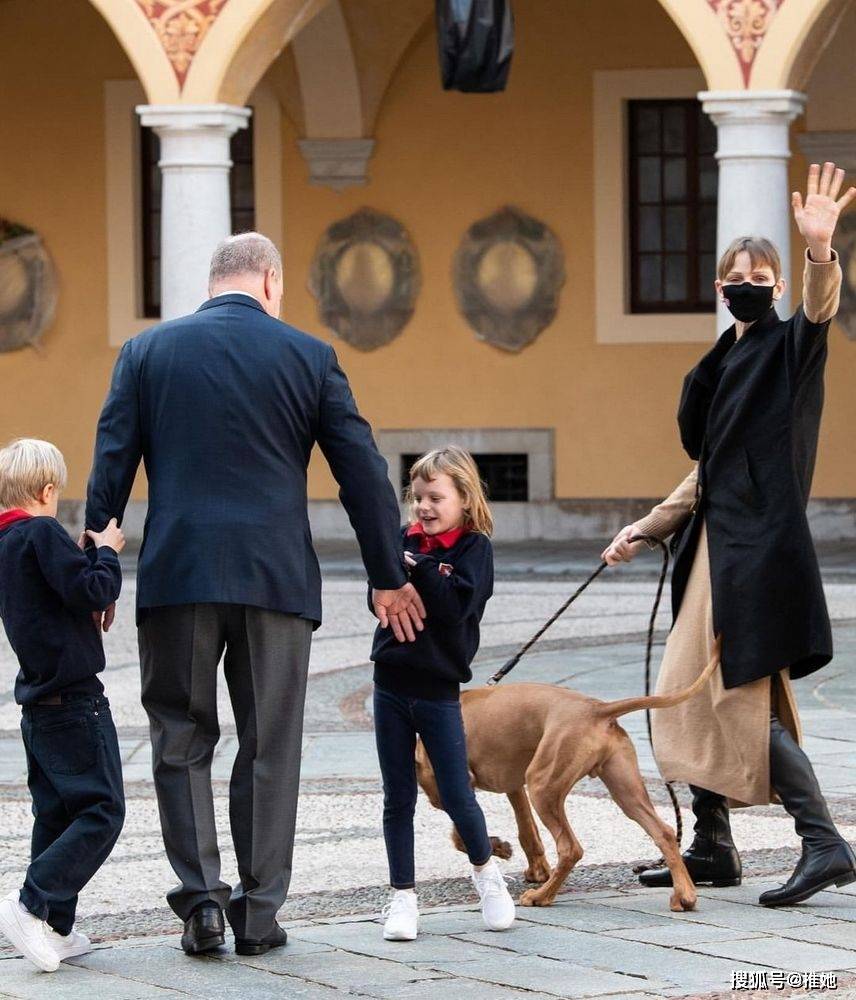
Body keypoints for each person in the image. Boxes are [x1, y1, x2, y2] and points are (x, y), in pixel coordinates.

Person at [85, 233, 425, 957]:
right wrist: (388, 575)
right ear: (270, 280)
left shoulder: (147, 354)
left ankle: (201, 907)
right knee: (270, 745)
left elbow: (110, 466)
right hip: (275, 579)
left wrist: (98, 576)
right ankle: (259, 912)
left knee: (178, 740)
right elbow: (361, 473)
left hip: (178, 575)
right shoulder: (309, 356)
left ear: (213, 283)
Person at [603, 162, 856, 907]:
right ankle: (713, 844)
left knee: (733, 700)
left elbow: (819, 312)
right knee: (690, 694)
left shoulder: (788, 349)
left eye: (760, 273)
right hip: (718, 547)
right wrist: (644, 531)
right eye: (735, 273)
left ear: (776, 286)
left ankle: (823, 841)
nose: (746, 281)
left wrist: (818, 251)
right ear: (720, 287)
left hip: (754, 553)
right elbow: (709, 471)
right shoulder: (722, 361)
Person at [370, 445, 515, 940]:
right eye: (417, 497)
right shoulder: (399, 541)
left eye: (435, 497)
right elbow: (382, 598)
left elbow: (456, 609)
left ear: (465, 500)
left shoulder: (475, 550)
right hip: (389, 684)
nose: (423, 507)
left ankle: (486, 874)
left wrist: (423, 571)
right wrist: (398, 573)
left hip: (437, 690)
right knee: (397, 797)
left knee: (456, 792)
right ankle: (403, 898)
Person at [0, 438, 125, 972]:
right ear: (48, 489)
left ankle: (55, 924)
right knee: (102, 810)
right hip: (75, 701)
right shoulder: (43, 531)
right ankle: (30, 902)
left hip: (38, 704)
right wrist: (106, 550)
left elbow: (49, 598)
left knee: (55, 814)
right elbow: (93, 590)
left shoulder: (7, 540)